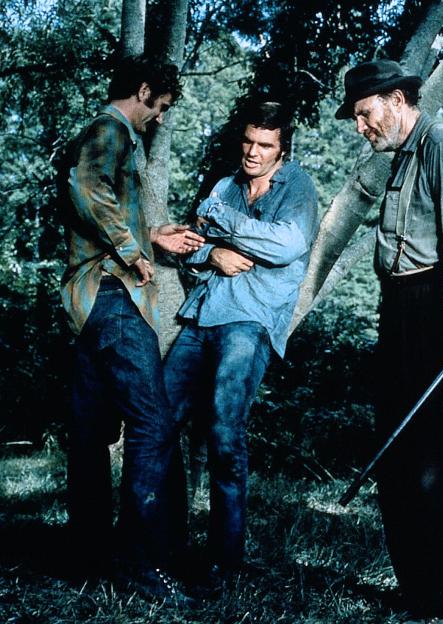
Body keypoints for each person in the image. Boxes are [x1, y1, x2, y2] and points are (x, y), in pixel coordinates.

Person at [335, 59, 443, 624]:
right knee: (397, 458)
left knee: (438, 462)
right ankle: (419, 596)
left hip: (435, 313)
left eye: (365, 114)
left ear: (397, 100)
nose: (361, 127)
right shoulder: (401, 156)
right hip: (398, 311)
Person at [60, 54, 205, 600]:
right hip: (114, 297)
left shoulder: (104, 134)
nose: (159, 118)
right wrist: (131, 250)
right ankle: (140, 563)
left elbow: (97, 200)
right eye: (160, 106)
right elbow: (85, 184)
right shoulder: (111, 129)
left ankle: (87, 557)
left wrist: (152, 236)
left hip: (88, 302)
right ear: (143, 91)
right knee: (154, 425)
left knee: (90, 432)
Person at [162, 101, 319, 582]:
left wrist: (219, 220)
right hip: (201, 316)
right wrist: (214, 255)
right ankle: (163, 543)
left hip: (249, 322)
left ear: (282, 150)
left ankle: (224, 560)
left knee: (225, 429)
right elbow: (190, 245)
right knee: (160, 419)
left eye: (265, 145)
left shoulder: (298, 187)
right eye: (248, 141)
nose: (252, 152)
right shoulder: (225, 185)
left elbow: (285, 245)